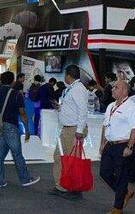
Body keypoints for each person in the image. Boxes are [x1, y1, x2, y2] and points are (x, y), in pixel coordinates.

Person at [0, 71, 39, 188]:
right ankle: (25, 179)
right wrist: (27, 130)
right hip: (11, 126)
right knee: (17, 153)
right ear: (13, 81)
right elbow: (23, 113)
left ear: (1, 80)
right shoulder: (17, 94)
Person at [99, 80, 135, 214]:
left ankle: (118, 208)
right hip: (109, 145)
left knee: (121, 176)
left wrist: (130, 147)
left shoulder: (132, 107)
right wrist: (102, 144)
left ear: (124, 91)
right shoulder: (110, 106)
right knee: (104, 172)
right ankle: (125, 192)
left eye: (116, 87)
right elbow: (105, 126)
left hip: (123, 145)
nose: (112, 89)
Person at [49, 65, 88, 199]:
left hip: (73, 130)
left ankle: (69, 188)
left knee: (70, 160)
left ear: (68, 76)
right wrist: (60, 107)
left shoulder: (78, 89)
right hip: (68, 129)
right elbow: (75, 109)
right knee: (61, 157)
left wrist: (79, 131)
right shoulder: (72, 89)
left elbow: (83, 111)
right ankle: (64, 186)